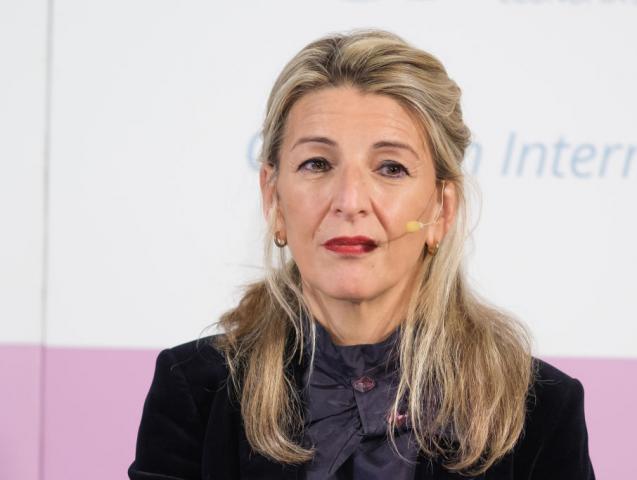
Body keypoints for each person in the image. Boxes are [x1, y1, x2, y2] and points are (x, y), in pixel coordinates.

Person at [128, 29, 595, 480]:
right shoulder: (194, 392)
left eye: (390, 168)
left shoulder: (541, 410)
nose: (350, 201)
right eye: (317, 164)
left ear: (441, 209)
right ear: (274, 198)